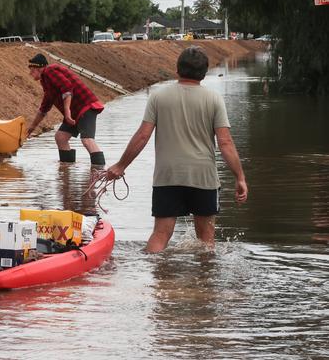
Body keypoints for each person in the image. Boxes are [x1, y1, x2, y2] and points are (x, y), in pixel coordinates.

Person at [105, 46, 248, 252]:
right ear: (204, 72)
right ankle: (205, 283)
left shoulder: (158, 97)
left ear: (177, 69)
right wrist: (240, 177)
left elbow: (143, 135)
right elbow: (225, 143)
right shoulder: (214, 99)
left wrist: (121, 165)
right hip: (203, 177)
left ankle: (156, 281)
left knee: (161, 234)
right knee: (206, 241)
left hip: (167, 176)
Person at [26, 53, 106, 165]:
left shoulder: (49, 71)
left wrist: (67, 112)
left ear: (39, 68)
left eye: (32, 70)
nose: (30, 73)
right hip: (75, 112)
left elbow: (67, 87)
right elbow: (45, 107)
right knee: (61, 137)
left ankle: (100, 172)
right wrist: (31, 129)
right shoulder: (45, 81)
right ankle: (66, 171)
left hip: (85, 107)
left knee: (87, 140)